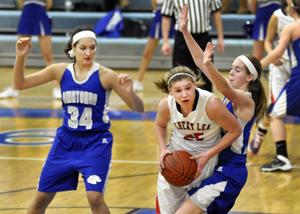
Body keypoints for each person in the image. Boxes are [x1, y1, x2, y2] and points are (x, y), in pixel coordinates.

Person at [13, 26, 144, 213]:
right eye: (83, 48)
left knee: (95, 197)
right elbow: (20, 84)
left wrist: (131, 92)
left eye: (92, 47)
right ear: (73, 50)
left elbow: (138, 108)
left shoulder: (106, 75)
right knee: (40, 198)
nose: (88, 52)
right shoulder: (59, 71)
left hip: (96, 142)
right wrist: (21, 56)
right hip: (65, 142)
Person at [176, 5, 267, 213]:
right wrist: (185, 31)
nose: (232, 73)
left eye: (237, 70)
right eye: (231, 68)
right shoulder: (233, 93)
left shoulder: (246, 100)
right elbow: (201, 62)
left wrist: (209, 66)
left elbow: (221, 86)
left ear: (250, 77)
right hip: (216, 167)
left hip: (230, 172)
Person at [154, 65, 242, 213]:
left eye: (188, 88)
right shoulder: (166, 105)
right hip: (174, 159)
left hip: (203, 160)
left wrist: (209, 154)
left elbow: (235, 130)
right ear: (171, 92)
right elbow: (160, 125)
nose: (184, 95)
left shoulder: (211, 104)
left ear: (195, 85)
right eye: (178, 90)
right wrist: (163, 150)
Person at [248, 0, 295, 156]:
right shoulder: (277, 16)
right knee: (275, 106)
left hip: (296, 67)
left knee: (278, 109)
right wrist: (271, 55)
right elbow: (268, 41)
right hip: (279, 66)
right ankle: (264, 138)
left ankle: (261, 127)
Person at [258, 0, 300, 172]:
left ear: (292, 7)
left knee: (275, 113)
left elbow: (277, 51)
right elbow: (270, 45)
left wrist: (253, 68)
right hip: (283, 69)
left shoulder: (292, 28)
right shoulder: (277, 17)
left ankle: (282, 157)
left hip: (297, 77)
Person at [0, 0, 61, 99]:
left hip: (40, 13)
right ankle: (14, 88)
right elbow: (20, 3)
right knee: (21, 55)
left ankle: (57, 89)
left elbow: (49, 4)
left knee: (48, 56)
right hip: (27, 13)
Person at [160, 0, 224, 92]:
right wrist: (165, 41)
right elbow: (166, 16)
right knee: (181, 75)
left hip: (203, 38)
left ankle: (207, 105)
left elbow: (217, 13)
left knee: (207, 75)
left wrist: (220, 37)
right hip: (182, 39)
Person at [133, 0, 174, 92]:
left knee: (182, 51)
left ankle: (183, 80)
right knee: (148, 51)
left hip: (177, 13)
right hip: (161, 13)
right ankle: (139, 81)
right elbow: (154, 4)